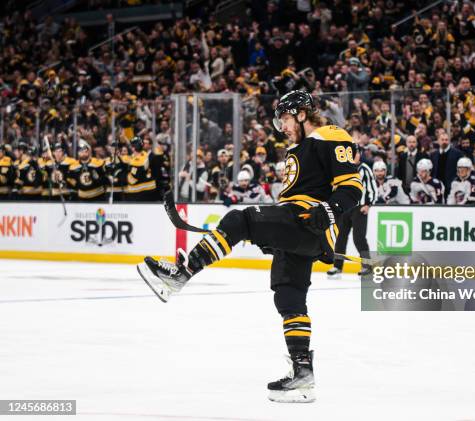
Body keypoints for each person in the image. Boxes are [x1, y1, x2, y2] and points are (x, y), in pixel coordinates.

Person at [136, 91, 362, 403]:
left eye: (284, 117)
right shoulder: (296, 148)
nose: (281, 125)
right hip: (297, 226)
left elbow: (352, 188)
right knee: (289, 297)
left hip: (308, 221)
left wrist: (329, 212)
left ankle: (181, 273)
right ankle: (302, 372)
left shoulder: (329, 135)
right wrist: (277, 235)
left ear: (300, 113)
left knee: (238, 220)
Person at [327, 147, 377, 279]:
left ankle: (367, 266)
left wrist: (368, 204)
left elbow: (372, 188)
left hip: (359, 208)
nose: (353, 156)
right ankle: (337, 266)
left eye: (355, 154)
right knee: (340, 238)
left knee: (359, 238)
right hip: (344, 208)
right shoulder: (342, 169)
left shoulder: (365, 169)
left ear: (359, 155)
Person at [123, 136, 159, 202]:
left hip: (142, 192)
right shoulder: (134, 156)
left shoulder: (144, 158)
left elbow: (134, 176)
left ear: (133, 148)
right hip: (138, 191)